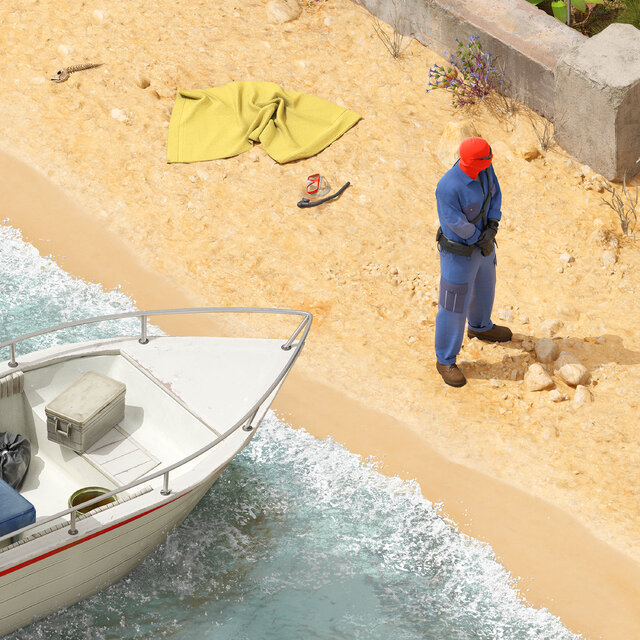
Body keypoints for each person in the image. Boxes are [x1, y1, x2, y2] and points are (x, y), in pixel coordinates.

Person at [434, 137, 512, 387]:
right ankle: (445, 360)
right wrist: (479, 238)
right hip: (460, 253)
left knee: (485, 288)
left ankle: (480, 327)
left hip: (484, 245)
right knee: (453, 305)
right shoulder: (448, 186)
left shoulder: (486, 169)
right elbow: (453, 222)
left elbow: (495, 194)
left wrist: (492, 225)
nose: (490, 163)